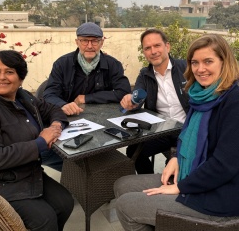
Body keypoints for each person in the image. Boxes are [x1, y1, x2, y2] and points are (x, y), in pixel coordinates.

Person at [114, 34, 239, 230]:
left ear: (225, 62)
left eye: (208, 61)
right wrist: (176, 158)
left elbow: (224, 165)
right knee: (122, 184)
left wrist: (180, 187)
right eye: (195, 63)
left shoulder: (233, 101)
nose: (200, 69)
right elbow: (188, 133)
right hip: (193, 167)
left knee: (125, 205)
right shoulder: (200, 94)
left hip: (220, 195)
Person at [0, 50, 74, 231]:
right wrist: (40, 142)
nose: (2, 77)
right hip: (0, 182)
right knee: (45, 220)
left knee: (65, 203)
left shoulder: (23, 97)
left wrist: (55, 125)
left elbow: (52, 109)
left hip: (28, 171)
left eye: (9, 72)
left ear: (20, 78)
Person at [42, 22, 131, 171]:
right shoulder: (62, 63)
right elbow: (48, 93)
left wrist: (87, 98)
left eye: (95, 41)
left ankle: (92, 173)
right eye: (84, 40)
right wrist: (63, 104)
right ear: (77, 42)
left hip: (100, 121)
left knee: (102, 151)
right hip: (68, 119)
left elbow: (123, 92)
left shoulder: (113, 64)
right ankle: (75, 172)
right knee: (46, 153)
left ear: (101, 42)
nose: (90, 45)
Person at [120, 28, 189, 174]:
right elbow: (137, 96)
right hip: (161, 131)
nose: (153, 51)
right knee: (134, 151)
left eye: (157, 45)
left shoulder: (187, 68)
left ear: (167, 46)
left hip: (187, 129)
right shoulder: (145, 75)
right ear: (144, 52)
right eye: (147, 48)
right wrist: (131, 102)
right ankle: (149, 181)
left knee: (174, 164)